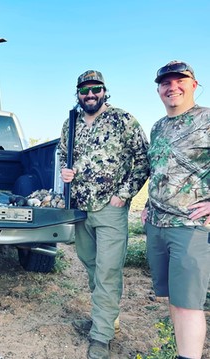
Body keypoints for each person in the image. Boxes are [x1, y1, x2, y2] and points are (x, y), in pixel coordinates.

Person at [59, 70, 149, 359]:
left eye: (95, 89)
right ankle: (107, 316)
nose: (90, 95)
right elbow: (63, 154)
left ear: (104, 91)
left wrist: (123, 194)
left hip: (111, 209)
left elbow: (142, 159)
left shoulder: (123, 120)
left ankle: (101, 336)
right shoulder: (70, 122)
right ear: (78, 93)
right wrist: (65, 170)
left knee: (108, 269)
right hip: (81, 207)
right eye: (84, 90)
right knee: (91, 264)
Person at [142, 61, 210, 359]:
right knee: (173, 297)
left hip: (190, 227)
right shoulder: (158, 127)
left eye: (179, 81)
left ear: (194, 85)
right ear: (158, 90)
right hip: (157, 225)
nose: (173, 87)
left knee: (188, 304)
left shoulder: (207, 120)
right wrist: (146, 205)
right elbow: (159, 170)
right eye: (165, 83)